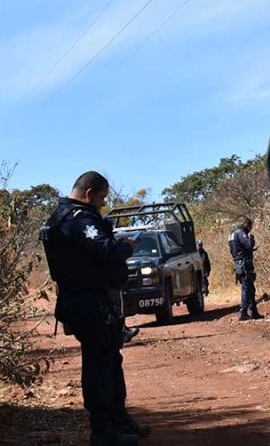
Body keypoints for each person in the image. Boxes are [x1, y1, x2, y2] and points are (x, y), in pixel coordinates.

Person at [40, 171, 150, 446]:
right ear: (89, 194)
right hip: (88, 302)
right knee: (98, 365)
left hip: (90, 300)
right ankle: (102, 431)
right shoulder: (77, 219)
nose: (102, 204)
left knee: (109, 359)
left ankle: (118, 419)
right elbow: (107, 251)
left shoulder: (63, 217)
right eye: (102, 197)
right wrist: (126, 247)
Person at [228, 216, 261, 320]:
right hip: (244, 263)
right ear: (246, 225)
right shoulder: (240, 233)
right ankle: (243, 312)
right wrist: (251, 239)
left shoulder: (232, 234)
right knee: (247, 288)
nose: (250, 229)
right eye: (250, 226)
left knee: (250, 287)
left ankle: (254, 311)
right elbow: (249, 245)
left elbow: (236, 249)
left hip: (239, 263)